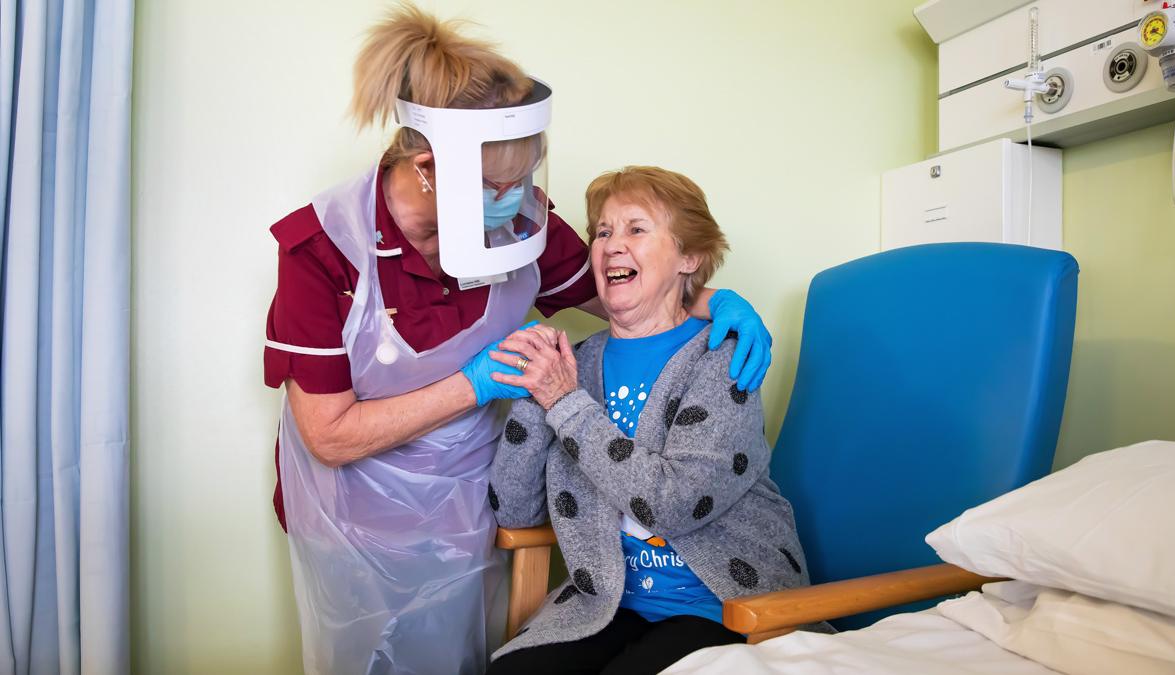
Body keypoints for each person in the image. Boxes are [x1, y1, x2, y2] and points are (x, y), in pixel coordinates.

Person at [262, 7, 774, 675]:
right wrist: (477, 385)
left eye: (525, 179)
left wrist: (713, 297)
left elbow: (622, 293)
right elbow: (328, 434)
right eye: (499, 188)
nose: (520, 202)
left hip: (469, 509)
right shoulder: (322, 252)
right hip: (357, 520)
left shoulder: (519, 226)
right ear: (428, 168)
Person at [485, 167, 813, 674]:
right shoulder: (575, 364)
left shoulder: (722, 359)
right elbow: (513, 511)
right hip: (609, 603)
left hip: (727, 604)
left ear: (690, 258)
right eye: (603, 232)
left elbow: (673, 503)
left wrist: (564, 401)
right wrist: (535, 390)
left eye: (636, 229)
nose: (613, 245)